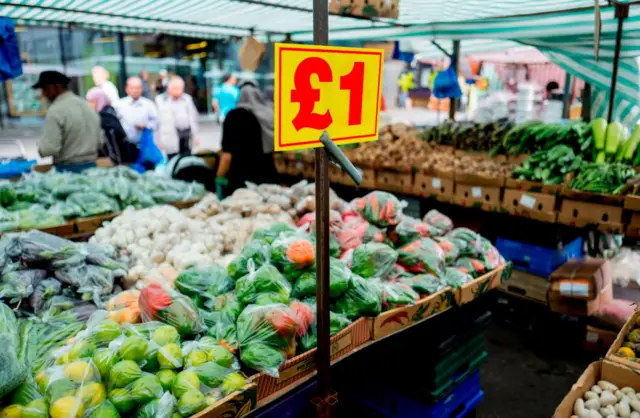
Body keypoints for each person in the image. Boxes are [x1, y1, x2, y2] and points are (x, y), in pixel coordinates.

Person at [33, 71, 102, 172]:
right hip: (92, 167)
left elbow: (48, 149)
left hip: (67, 170)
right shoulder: (87, 106)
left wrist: (40, 145)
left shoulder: (56, 110)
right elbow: (100, 142)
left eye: (45, 89)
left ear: (57, 87)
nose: (44, 94)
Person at [217, 81, 277, 194]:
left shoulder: (234, 117)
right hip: (267, 176)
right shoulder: (269, 114)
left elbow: (227, 155)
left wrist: (218, 177)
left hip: (241, 180)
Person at [86, 87, 138, 164]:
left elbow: (113, 143)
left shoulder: (105, 118)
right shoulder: (110, 113)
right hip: (123, 159)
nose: (89, 104)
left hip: (117, 162)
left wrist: (114, 161)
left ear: (98, 101)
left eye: (91, 101)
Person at [155, 75, 199, 157]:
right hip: (169, 135)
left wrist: (196, 135)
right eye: (175, 88)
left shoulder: (187, 99)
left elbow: (193, 118)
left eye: (180, 88)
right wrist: (158, 140)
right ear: (168, 88)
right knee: (172, 158)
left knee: (186, 158)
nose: (178, 91)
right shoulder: (160, 100)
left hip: (186, 133)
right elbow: (156, 123)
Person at [115, 76, 159, 145]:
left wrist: (146, 126)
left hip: (144, 145)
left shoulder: (149, 104)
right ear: (127, 89)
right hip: (125, 145)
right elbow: (115, 123)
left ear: (141, 89)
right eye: (132, 88)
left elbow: (156, 122)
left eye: (137, 88)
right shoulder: (119, 105)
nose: (135, 91)